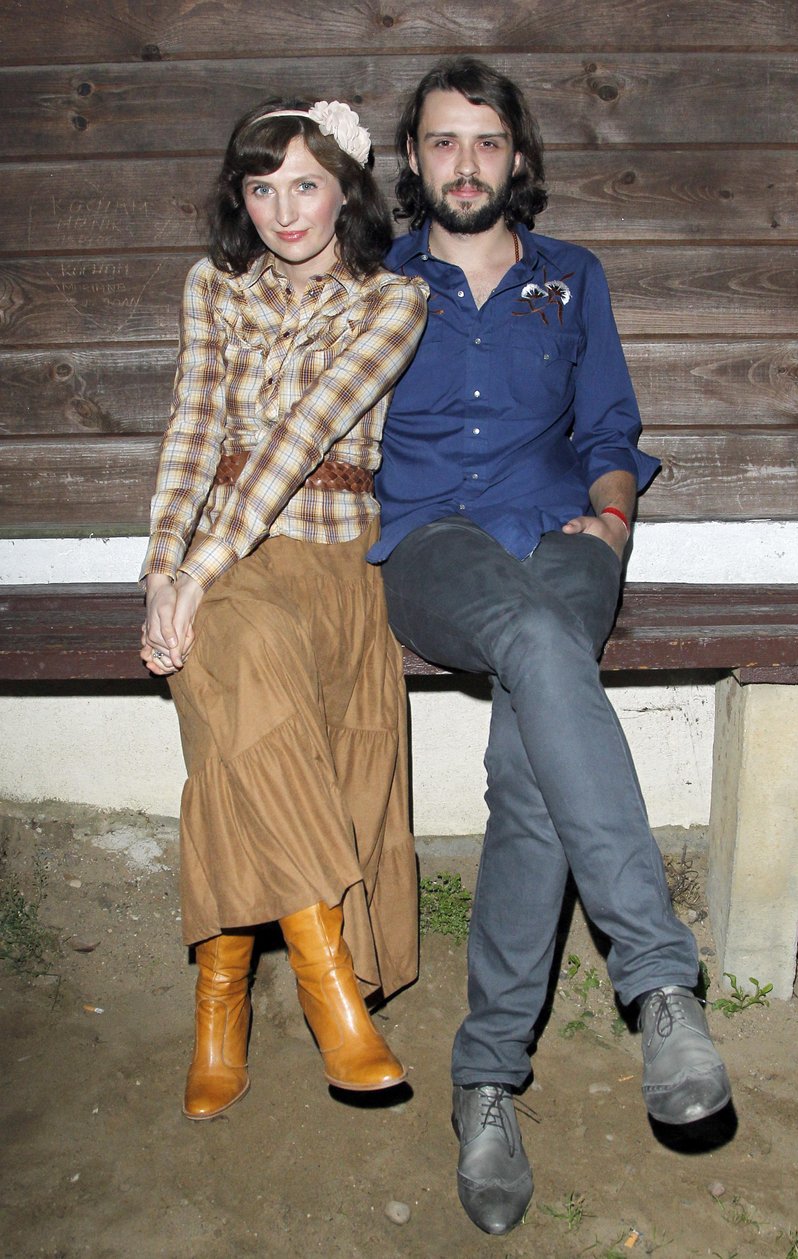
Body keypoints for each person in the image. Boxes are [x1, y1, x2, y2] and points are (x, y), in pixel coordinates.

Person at [369, 57, 732, 1235]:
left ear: (516, 156)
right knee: (533, 638)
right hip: (436, 545)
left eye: (486, 140)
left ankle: (484, 1083)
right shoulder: (376, 283)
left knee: (530, 772)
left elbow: (610, 427)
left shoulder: (572, 277)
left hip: (568, 536)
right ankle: (661, 981)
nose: (465, 162)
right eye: (443, 140)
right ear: (412, 158)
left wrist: (613, 520)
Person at [139, 97, 428, 1120]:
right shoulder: (214, 286)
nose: (284, 210)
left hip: (337, 559)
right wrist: (165, 572)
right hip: (230, 566)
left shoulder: (393, 301)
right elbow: (192, 432)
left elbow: (303, 434)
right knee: (243, 666)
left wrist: (196, 568)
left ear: (346, 190)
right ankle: (329, 993)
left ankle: (220, 1003)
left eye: (306, 184)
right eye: (262, 189)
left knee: (241, 749)